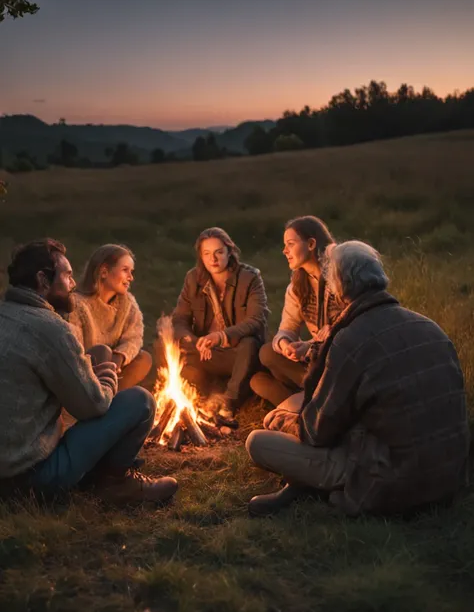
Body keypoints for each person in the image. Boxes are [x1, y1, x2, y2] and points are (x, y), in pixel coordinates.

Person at [246, 241, 470, 517]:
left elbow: (317, 431)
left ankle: (309, 485)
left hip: (390, 478)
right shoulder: (429, 326)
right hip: (448, 473)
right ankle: (301, 484)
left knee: (258, 441)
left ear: (339, 287)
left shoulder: (350, 339)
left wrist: (282, 420)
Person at [0, 239, 177, 504]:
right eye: (67, 275)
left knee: (100, 358)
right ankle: (114, 482)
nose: (72, 284)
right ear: (42, 279)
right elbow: (93, 406)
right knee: (140, 401)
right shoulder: (51, 328)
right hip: (31, 477)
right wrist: (106, 377)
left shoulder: (6, 313)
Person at [171, 227, 269, 423]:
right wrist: (195, 341)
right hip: (205, 353)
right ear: (200, 255)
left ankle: (228, 403)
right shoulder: (193, 279)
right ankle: (201, 401)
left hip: (237, 353)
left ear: (229, 252)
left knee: (250, 343)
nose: (213, 259)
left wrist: (220, 336)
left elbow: (257, 319)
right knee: (168, 346)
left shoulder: (249, 277)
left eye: (219, 252)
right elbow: (180, 319)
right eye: (207, 253)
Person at [251, 216, 343, 407]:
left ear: (311, 244)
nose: (285, 251)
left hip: (338, 359)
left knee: (269, 380)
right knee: (263, 365)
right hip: (313, 361)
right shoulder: (297, 286)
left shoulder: (340, 278)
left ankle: (306, 403)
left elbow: (348, 329)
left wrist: (309, 346)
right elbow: (287, 328)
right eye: (285, 245)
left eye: (291, 244)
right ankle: (307, 402)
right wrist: (285, 344)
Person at [69, 244, 152, 391]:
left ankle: (110, 397)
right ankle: (95, 398)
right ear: (104, 272)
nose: (131, 277)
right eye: (125, 270)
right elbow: (73, 348)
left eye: (131, 272)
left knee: (144, 359)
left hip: (114, 369)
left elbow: (134, 338)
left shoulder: (128, 304)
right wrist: (103, 362)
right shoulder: (76, 304)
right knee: (102, 352)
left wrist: (119, 358)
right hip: (85, 370)